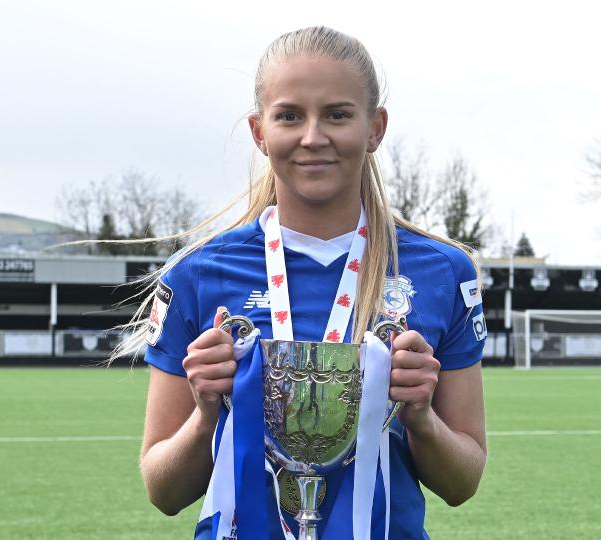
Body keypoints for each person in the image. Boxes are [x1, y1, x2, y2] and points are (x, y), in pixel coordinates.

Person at [128, 26, 487, 539]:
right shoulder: (198, 273)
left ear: (375, 128)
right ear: (259, 130)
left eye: (337, 115)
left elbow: (463, 481)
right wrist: (206, 414)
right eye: (289, 115)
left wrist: (422, 417)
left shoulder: (443, 271)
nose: (312, 136)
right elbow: (163, 492)